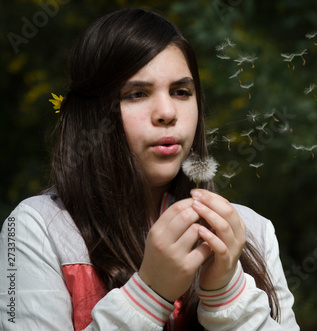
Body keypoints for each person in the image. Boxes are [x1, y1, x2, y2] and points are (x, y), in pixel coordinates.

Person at [0, 7, 299, 331]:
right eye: (138, 94)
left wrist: (228, 293)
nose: (167, 112)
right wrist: (148, 295)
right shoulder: (36, 229)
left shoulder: (252, 231)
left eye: (181, 92)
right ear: (92, 113)